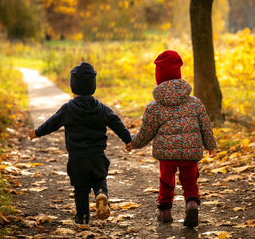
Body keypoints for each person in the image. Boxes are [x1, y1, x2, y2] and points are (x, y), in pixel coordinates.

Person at [28, 62, 132, 225]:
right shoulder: (101, 108)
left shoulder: (68, 108)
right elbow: (116, 122)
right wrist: (128, 140)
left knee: (81, 189)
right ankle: (100, 193)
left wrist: (37, 132)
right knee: (100, 178)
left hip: (77, 158)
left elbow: (52, 122)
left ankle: (82, 219)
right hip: (97, 156)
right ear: (93, 86)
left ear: (73, 86)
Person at [126, 50, 217, 228]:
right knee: (190, 180)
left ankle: (165, 211)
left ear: (158, 78)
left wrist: (134, 144)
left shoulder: (154, 107)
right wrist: (210, 145)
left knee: (166, 181)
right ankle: (191, 204)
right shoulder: (195, 103)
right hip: (191, 152)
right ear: (178, 76)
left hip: (167, 155)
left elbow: (146, 132)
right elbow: (205, 126)